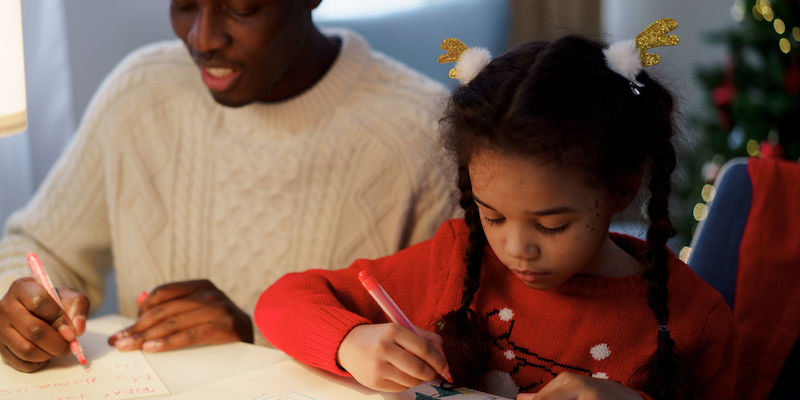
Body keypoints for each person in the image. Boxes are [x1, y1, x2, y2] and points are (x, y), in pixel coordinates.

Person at [255, 22, 736, 399]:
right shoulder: (461, 257)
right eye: (494, 215)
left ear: (622, 188)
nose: (515, 249)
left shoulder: (696, 320)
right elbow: (281, 301)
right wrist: (350, 342)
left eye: (552, 224)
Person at [0, 0, 457, 372]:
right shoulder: (140, 92)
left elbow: (469, 351)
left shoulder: (424, 133)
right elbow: (40, 246)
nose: (202, 38)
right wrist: (28, 306)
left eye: (241, 9)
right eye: (184, 5)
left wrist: (254, 343)